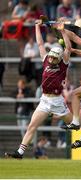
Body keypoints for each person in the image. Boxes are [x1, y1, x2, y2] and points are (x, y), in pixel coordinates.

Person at [5, 18, 72, 159]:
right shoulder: (46, 58)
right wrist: (37, 27)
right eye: (52, 57)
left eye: (55, 57)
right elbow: (40, 43)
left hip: (58, 101)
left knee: (74, 122)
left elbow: (68, 47)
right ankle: (20, 153)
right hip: (45, 100)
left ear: (59, 57)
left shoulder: (63, 62)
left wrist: (62, 31)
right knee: (31, 126)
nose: (52, 59)